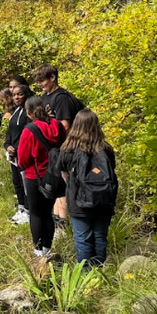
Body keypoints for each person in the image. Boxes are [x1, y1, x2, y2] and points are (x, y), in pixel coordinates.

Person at [56, 109, 118, 266]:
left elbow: (64, 174)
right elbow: (111, 171)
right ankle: (100, 271)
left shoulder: (67, 148)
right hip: (104, 199)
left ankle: (85, 274)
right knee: (99, 236)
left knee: (82, 237)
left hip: (78, 199)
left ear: (76, 125)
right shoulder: (106, 148)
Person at [33, 64, 86, 224]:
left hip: (66, 147)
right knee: (55, 183)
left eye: (42, 80)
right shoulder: (45, 97)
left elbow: (65, 126)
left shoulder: (61, 97)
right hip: (53, 149)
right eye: (38, 81)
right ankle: (57, 219)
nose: (40, 84)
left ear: (53, 77)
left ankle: (64, 221)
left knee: (64, 184)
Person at [18, 96, 66, 257]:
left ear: (29, 112)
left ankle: (38, 250)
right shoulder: (58, 126)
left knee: (36, 214)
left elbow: (23, 160)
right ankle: (47, 246)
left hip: (35, 176)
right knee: (48, 213)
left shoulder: (29, 130)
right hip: (55, 176)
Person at [4, 84, 34, 225]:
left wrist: (18, 148)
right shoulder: (16, 111)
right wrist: (7, 145)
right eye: (14, 95)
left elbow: (27, 134)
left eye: (20, 94)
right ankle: (21, 207)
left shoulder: (29, 113)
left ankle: (28, 211)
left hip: (23, 154)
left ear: (26, 95)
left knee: (25, 183)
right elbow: (10, 131)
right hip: (13, 154)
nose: (16, 97)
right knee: (17, 182)